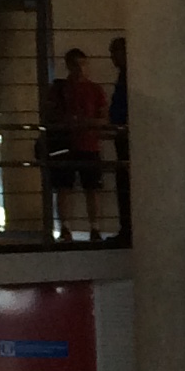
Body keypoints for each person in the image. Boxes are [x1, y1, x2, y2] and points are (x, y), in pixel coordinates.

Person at [47, 49, 111, 242]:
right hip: (68, 144)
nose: (80, 69)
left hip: (88, 145)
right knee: (64, 187)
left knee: (91, 188)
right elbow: (52, 115)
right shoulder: (60, 90)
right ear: (68, 65)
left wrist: (85, 122)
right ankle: (66, 228)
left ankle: (94, 228)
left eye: (83, 64)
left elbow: (104, 117)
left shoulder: (94, 89)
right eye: (76, 64)